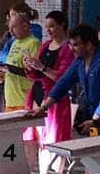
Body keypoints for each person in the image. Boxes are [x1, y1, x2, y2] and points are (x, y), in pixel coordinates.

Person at [26, 24, 100, 136]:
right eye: (70, 45)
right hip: (97, 116)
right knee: (93, 143)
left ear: (88, 45)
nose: (71, 49)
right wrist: (44, 107)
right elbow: (64, 83)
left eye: (75, 45)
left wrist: (95, 120)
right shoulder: (80, 60)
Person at [24, 10, 76, 159]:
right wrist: (30, 66)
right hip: (37, 95)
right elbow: (35, 75)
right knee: (34, 138)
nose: (48, 30)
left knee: (53, 141)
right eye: (46, 27)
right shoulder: (46, 45)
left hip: (55, 99)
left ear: (62, 25)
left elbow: (63, 78)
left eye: (52, 26)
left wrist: (42, 67)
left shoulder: (68, 48)